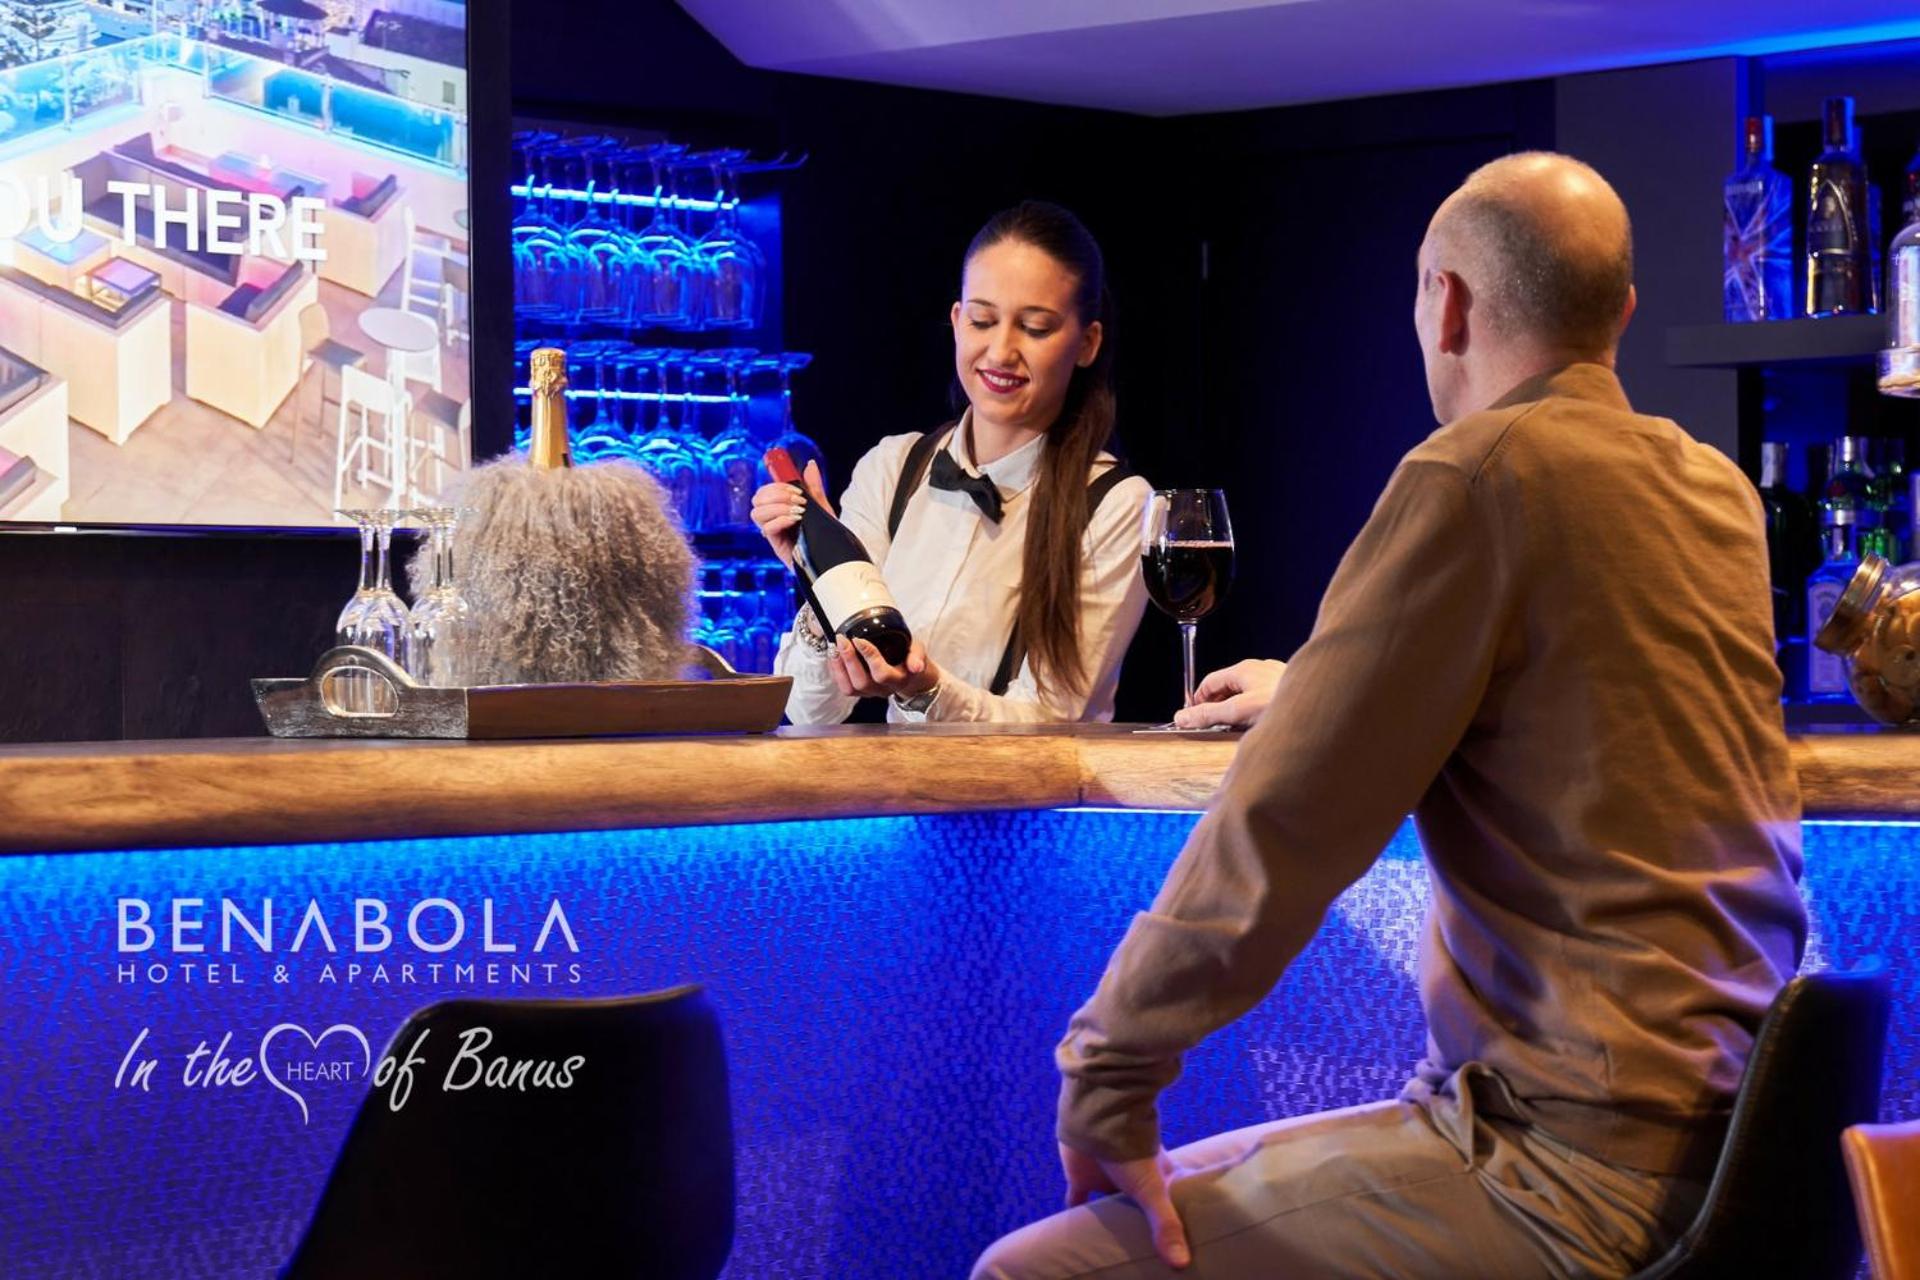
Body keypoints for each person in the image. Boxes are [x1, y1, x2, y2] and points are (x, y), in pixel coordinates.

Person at [972, 153, 1808, 1278]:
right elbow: (1575, 705)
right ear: (1621, 313)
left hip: (1566, 1164)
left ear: (1444, 302)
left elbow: (1284, 825)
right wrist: (1318, 687)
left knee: (1035, 1269)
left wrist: (1108, 1071)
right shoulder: (1717, 491)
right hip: (1739, 1152)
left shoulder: (1475, 474)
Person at [753, 201, 1150, 724]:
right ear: (958, 321)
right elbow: (810, 709)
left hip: (1028, 783)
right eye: (983, 320)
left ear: (1087, 343)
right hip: (884, 782)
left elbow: (1053, 720)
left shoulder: (1116, 505)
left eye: (1035, 328)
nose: (1001, 351)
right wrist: (820, 570)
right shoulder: (892, 468)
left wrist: (928, 690)